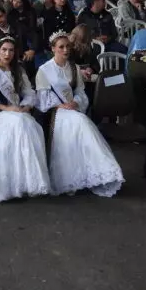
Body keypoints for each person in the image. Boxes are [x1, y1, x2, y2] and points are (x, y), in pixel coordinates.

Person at [35, 34, 124, 197]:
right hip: (55, 112)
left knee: (82, 123)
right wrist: (60, 104)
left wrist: (76, 102)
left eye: (67, 46)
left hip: (73, 109)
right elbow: (42, 97)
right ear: (53, 49)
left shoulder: (74, 68)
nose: (65, 50)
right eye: (61, 47)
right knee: (80, 122)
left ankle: (101, 171)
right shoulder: (44, 70)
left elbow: (81, 92)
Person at [0, 36, 52, 202]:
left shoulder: (19, 71)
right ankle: (8, 184)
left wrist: (25, 106)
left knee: (28, 125)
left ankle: (26, 181)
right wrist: (8, 108)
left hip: (18, 111)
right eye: (4, 50)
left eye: (10, 50)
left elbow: (30, 93)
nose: (7, 54)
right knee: (17, 124)